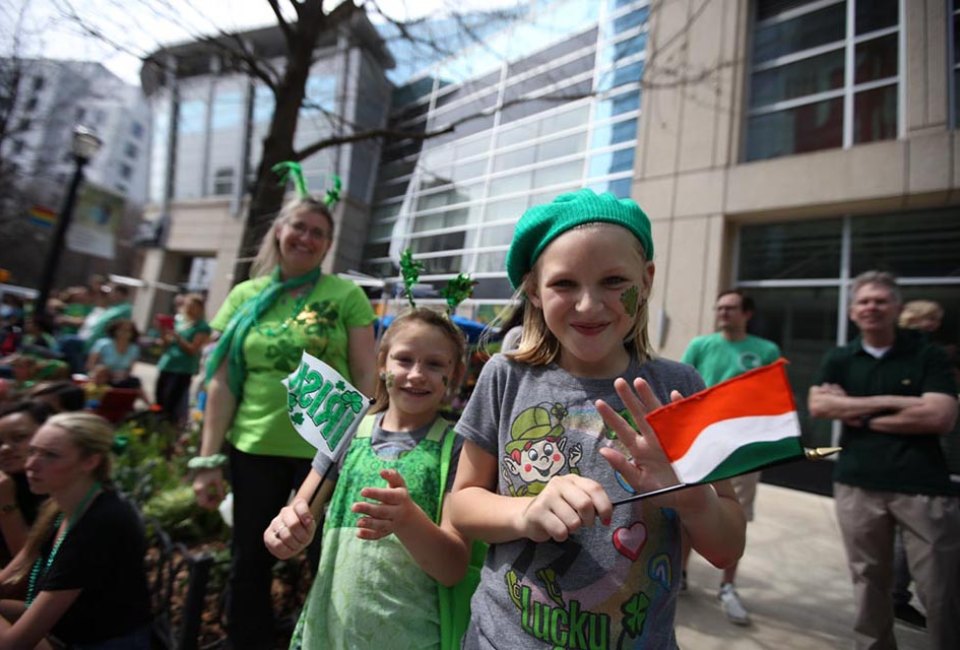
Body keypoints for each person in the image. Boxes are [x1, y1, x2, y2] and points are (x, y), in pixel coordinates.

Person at [447, 189, 746, 648]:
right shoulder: (505, 378)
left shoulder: (679, 387)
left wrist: (692, 497)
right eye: (564, 284)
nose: (588, 305)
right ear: (533, 289)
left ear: (646, 281)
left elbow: (727, 546)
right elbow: (463, 504)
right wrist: (526, 511)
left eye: (613, 281)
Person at [192, 194, 377, 649]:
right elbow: (221, 384)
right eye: (299, 226)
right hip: (253, 448)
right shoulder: (243, 296)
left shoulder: (346, 296)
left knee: (325, 560)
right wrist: (207, 460)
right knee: (248, 563)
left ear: (329, 244)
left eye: (319, 233)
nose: (306, 238)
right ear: (279, 230)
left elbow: (367, 380)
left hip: (326, 456)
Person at [265, 308, 472, 648]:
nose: (417, 374)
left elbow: (453, 568)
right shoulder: (346, 432)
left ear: (457, 373)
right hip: (329, 633)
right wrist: (285, 535)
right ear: (382, 363)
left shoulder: (457, 448)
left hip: (411, 637)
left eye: (435, 364)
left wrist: (407, 520)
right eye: (404, 359)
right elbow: (298, 515)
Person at [808, 271, 960, 650]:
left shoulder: (928, 355)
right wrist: (901, 402)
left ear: (896, 307)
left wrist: (856, 411)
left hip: (923, 487)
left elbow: (941, 416)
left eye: (879, 301)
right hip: (858, 483)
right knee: (868, 582)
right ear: (852, 312)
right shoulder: (841, 358)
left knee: (940, 588)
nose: (871, 308)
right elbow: (819, 405)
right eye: (863, 302)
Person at [0, 412, 152, 647]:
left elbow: (14, 644)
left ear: (90, 461)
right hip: (66, 633)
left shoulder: (101, 524)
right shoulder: (60, 504)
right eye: (32, 451)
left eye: (50, 456)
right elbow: (14, 571)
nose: (31, 464)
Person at [678, 289, 781, 625]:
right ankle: (679, 574)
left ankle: (727, 587)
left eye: (731, 308)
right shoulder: (701, 345)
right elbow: (679, 391)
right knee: (686, 509)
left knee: (735, 513)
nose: (723, 313)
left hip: (741, 450)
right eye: (719, 307)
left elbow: (771, 399)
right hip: (700, 444)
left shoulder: (765, 350)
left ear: (746, 313)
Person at [0, 401, 52, 567]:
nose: (5, 448)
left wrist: (6, 502)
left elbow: (29, 571)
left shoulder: (58, 493)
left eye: (19, 438)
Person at [155, 294, 211, 425]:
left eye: (193, 306)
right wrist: (163, 331)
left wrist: (178, 337)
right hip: (167, 363)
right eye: (187, 305)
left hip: (183, 368)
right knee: (160, 396)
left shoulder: (202, 327)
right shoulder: (179, 321)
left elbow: (193, 350)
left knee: (172, 400)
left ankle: (168, 425)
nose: (189, 309)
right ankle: (156, 423)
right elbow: (166, 344)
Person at [85, 319, 141, 389]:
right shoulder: (102, 344)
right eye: (121, 330)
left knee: (135, 382)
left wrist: (121, 375)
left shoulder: (134, 349)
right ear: (115, 331)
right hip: (100, 378)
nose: (124, 333)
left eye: (128, 330)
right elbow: (90, 365)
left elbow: (129, 370)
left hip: (120, 379)